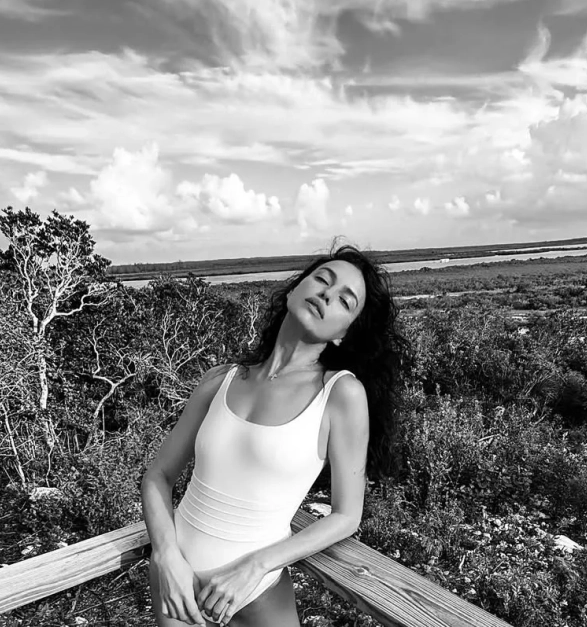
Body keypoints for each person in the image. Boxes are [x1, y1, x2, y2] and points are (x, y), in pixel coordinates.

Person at [141, 244, 408, 626]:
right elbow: (158, 475)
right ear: (294, 289)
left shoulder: (340, 394)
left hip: (255, 595)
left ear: (343, 333)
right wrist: (165, 556)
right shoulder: (220, 379)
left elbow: (347, 515)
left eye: (345, 301)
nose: (327, 295)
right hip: (176, 588)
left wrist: (256, 566)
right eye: (323, 279)